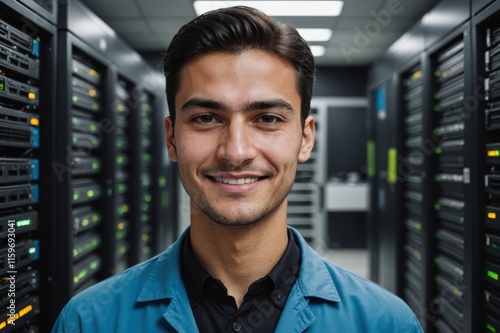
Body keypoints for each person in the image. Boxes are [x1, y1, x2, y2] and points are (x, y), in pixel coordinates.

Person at [52, 6, 423, 333]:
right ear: (171, 139)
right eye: (206, 118)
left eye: (267, 118)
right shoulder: (88, 322)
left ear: (305, 139)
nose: (236, 151)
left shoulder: (385, 323)